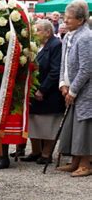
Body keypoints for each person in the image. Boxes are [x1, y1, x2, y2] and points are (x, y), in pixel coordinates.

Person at [57, 0, 92, 177]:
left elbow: (86, 68)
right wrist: (63, 84)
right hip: (71, 88)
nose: (65, 21)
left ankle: (86, 163)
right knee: (73, 127)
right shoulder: (69, 35)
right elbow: (63, 62)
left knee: (84, 126)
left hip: (86, 91)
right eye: (65, 17)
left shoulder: (86, 37)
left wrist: (73, 90)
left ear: (80, 20)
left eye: (69, 18)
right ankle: (75, 161)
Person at [22, 19, 65, 164]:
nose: (35, 33)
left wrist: (42, 89)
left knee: (48, 124)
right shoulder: (37, 46)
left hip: (49, 93)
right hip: (34, 92)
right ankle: (35, 151)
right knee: (33, 122)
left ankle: (46, 154)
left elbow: (55, 70)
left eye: (38, 30)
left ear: (47, 32)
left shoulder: (56, 45)